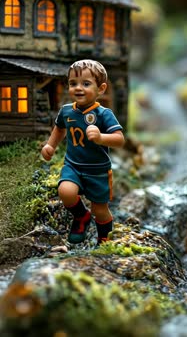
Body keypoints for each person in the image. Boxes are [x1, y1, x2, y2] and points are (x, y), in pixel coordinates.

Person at [41, 59, 125, 245]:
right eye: (73, 83)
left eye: (86, 84)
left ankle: (104, 238)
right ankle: (81, 217)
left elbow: (119, 139)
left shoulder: (104, 114)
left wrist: (102, 137)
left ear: (100, 89)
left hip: (98, 170)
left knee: (100, 210)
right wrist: (50, 146)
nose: (78, 88)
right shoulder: (66, 111)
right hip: (73, 164)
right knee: (66, 191)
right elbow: (59, 129)